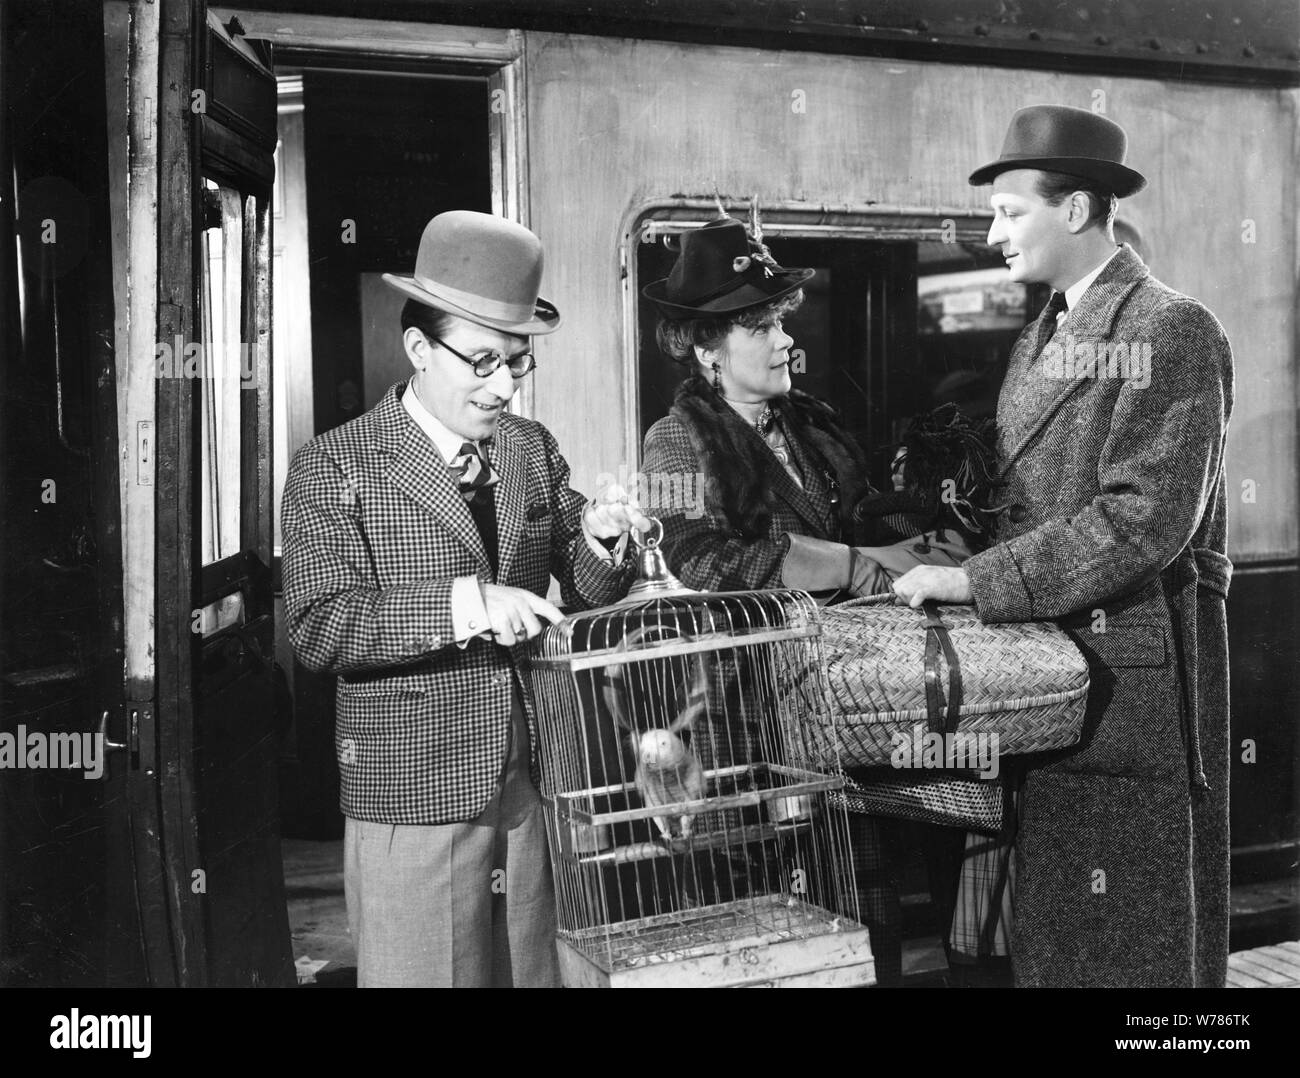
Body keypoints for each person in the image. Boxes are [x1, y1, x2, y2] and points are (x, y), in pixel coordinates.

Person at [894, 104, 1234, 988]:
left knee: (1128, 944)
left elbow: (1144, 519)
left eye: (1011, 211)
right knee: (1062, 939)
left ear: (1077, 209)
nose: (992, 232)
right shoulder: (1042, 333)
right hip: (1049, 673)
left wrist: (978, 580)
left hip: (1125, 681)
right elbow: (1034, 503)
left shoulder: (1169, 329)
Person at [281, 210, 647, 987]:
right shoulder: (335, 466)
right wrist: (468, 603)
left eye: (517, 363)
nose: (504, 386)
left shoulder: (530, 449)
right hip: (412, 788)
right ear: (417, 349)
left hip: (532, 784)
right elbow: (317, 627)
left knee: (537, 976)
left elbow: (584, 586)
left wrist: (604, 537)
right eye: (481, 361)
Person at [638, 214, 956, 985]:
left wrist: (933, 527)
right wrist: (847, 564)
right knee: (768, 928)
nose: (785, 339)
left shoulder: (814, 426)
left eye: (781, 319)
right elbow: (698, 557)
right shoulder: (673, 442)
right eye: (760, 325)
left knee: (862, 915)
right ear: (708, 347)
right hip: (743, 723)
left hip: (843, 712)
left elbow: (868, 515)